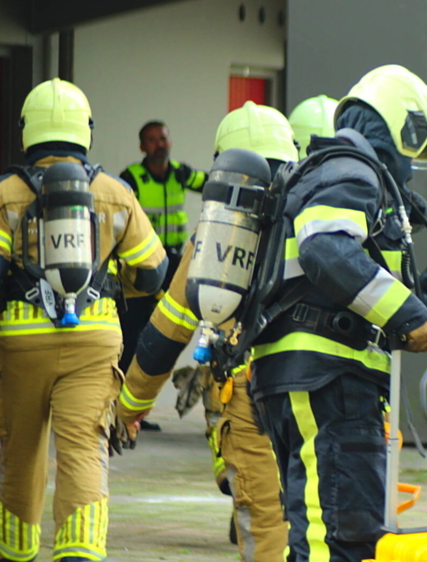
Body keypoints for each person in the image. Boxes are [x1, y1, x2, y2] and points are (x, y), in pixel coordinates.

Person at [0, 78, 168, 562]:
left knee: (20, 451)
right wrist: (111, 286)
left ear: (29, 130)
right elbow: (153, 272)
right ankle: (80, 550)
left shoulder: (3, 193)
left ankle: (12, 549)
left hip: (24, 342)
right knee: (85, 450)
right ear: (84, 129)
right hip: (94, 342)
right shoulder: (115, 191)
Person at [250, 65, 427, 562]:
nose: (410, 170)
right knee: (340, 536)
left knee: (318, 529)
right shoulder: (352, 171)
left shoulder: (324, 172)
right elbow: (325, 249)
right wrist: (408, 315)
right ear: (400, 129)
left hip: (305, 378)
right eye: (412, 154)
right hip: (329, 380)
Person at [117, 102, 296, 562]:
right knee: (323, 510)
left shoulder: (219, 232)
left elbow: (171, 327)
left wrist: (129, 406)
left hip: (250, 388)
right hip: (325, 386)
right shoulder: (325, 216)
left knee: (264, 520)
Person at [117, 121, 207, 424]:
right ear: (143, 147)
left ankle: (142, 409)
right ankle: (124, 407)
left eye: (164, 139)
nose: (160, 144)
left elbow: (212, 185)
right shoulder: (132, 178)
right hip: (143, 268)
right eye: (152, 140)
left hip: (175, 266)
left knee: (167, 335)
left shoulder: (180, 173)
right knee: (133, 336)